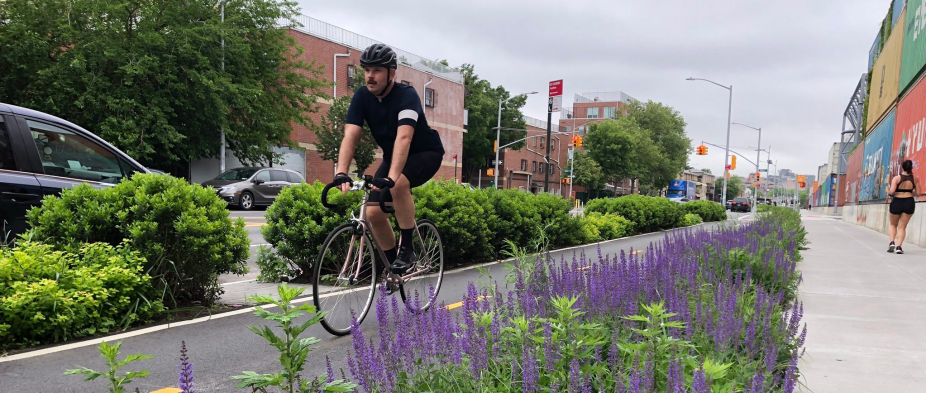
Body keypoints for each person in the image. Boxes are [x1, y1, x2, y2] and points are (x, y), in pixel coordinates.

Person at [332, 43, 445, 274]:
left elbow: (404, 137)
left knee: (399, 184)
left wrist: (392, 179)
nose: (370, 76)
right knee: (373, 214)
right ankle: (394, 265)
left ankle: (408, 249)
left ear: (392, 73)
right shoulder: (362, 96)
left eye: (377, 71)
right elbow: (350, 135)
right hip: (394, 156)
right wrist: (341, 172)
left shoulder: (407, 95)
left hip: (425, 153)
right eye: (367, 71)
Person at [887, 160, 917, 254]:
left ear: (902, 167)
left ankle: (892, 242)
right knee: (902, 227)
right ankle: (899, 247)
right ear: (911, 167)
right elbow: (918, 193)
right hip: (909, 202)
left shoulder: (896, 178)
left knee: (893, 224)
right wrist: (909, 192)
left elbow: (892, 192)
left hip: (897, 202)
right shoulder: (915, 179)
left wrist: (888, 191)